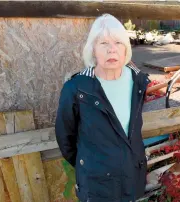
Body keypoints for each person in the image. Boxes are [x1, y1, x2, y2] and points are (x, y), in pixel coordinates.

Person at [55, 14, 150, 202]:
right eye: (103, 43)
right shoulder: (77, 89)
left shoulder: (139, 81)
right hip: (97, 186)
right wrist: (90, 164)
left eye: (118, 43)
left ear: (126, 50)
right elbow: (65, 138)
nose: (112, 50)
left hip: (132, 179)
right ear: (93, 50)